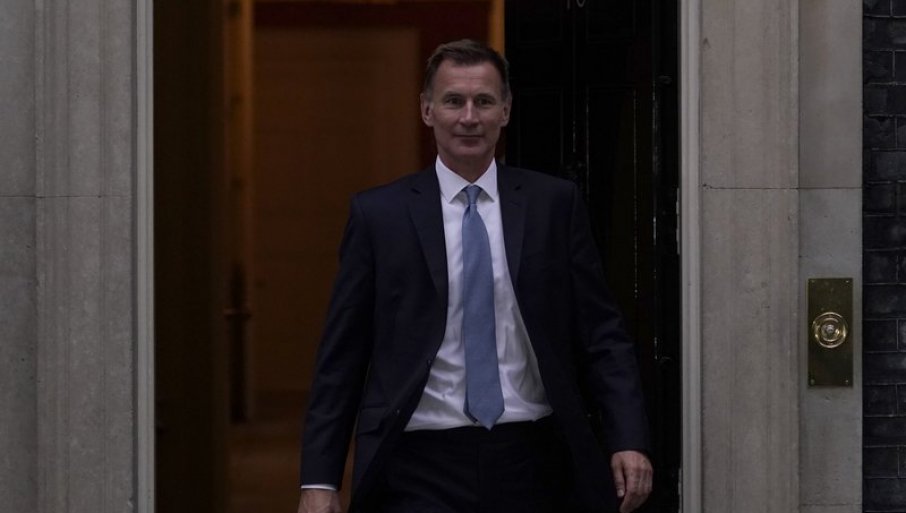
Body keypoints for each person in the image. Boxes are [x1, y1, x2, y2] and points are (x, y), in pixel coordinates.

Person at [296, 39, 652, 513]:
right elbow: (342, 356)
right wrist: (319, 479)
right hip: (417, 464)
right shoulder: (379, 215)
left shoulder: (553, 205)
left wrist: (628, 437)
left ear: (506, 110)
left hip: (534, 460)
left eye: (484, 101)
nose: (469, 117)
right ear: (427, 111)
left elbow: (601, 333)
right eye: (453, 101)